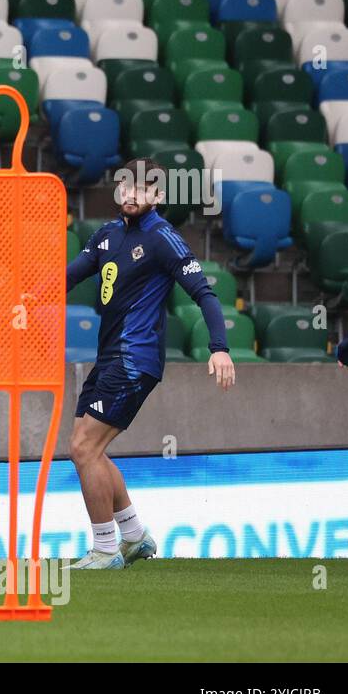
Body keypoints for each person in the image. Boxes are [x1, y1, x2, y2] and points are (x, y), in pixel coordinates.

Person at [65, 158, 236, 569]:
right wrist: (29, 298)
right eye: (126, 187)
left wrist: (220, 346)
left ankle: (106, 550)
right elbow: (68, 276)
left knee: (83, 447)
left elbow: (205, 294)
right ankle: (134, 536)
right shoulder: (106, 236)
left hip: (134, 359)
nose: (132, 194)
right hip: (108, 358)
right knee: (90, 449)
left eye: (143, 189)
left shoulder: (163, 237)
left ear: (158, 195)